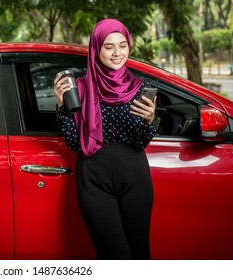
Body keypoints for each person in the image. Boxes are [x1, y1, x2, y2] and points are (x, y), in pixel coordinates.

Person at [54, 18, 157, 260]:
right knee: (113, 256)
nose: (117, 53)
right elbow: (74, 143)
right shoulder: (78, 88)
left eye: (122, 45)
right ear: (96, 48)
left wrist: (151, 120)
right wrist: (61, 108)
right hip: (93, 179)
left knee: (140, 254)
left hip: (135, 178)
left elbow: (141, 142)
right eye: (109, 46)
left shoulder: (142, 88)